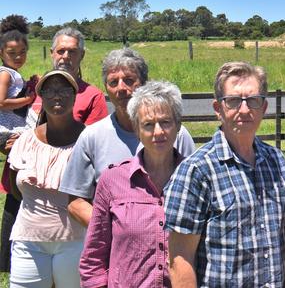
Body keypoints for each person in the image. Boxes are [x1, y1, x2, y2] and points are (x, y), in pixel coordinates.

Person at [164, 61, 285, 287]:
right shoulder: (196, 171)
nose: (244, 110)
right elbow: (179, 260)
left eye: (253, 101)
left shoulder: (277, 161)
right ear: (218, 109)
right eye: (234, 101)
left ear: (264, 108)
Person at [0, 26, 108, 272]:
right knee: (24, 264)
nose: (65, 57)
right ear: (51, 53)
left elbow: (91, 145)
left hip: (66, 193)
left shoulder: (92, 95)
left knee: (66, 266)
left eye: (72, 51)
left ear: (82, 55)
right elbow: (8, 117)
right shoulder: (34, 88)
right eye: (61, 51)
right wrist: (5, 143)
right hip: (23, 186)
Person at [59, 48, 195, 228]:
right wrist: (114, 229)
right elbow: (76, 201)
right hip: (117, 249)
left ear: (144, 84)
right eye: (113, 82)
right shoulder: (92, 137)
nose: (121, 88)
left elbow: (195, 188)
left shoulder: (174, 134)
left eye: (129, 80)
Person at [79, 81, 185, 288]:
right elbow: (94, 254)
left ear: (178, 125)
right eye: (148, 124)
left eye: (166, 122)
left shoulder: (195, 178)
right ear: (136, 129)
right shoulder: (112, 180)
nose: (158, 132)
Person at [7, 70, 86, 287]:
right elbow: (15, 188)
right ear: (41, 96)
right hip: (28, 239)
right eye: (50, 90)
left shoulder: (88, 140)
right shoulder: (26, 141)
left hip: (75, 241)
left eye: (63, 89)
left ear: (74, 95)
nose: (57, 95)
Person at [0, 15, 36, 145]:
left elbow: (13, 91)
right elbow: (1, 103)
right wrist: (27, 100)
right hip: (7, 130)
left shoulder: (12, 73)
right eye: (12, 53)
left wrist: (30, 82)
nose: (18, 57)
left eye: (23, 52)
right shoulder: (5, 74)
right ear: (1, 53)